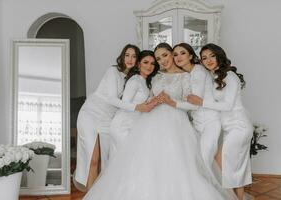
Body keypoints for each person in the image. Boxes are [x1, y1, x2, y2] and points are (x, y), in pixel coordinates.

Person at [82, 43, 237, 200]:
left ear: (172, 54)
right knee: (146, 161)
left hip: (175, 121)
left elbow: (192, 104)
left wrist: (171, 102)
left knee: (176, 162)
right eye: (158, 58)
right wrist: (153, 101)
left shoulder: (186, 76)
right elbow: (148, 98)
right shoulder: (156, 76)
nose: (162, 61)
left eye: (165, 55)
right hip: (150, 121)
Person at [73, 44, 156, 191]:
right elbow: (112, 99)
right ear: (122, 56)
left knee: (104, 160)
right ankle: (90, 195)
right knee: (93, 158)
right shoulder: (113, 71)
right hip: (92, 113)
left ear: (137, 61)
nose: (130, 59)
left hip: (108, 119)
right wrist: (138, 107)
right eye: (127, 55)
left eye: (134, 56)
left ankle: (99, 193)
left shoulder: (133, 79)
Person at [187, 43, 253, 200]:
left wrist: (200, 102)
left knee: (228, 165)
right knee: (228, 163)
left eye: (212, 56)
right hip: (229, 127)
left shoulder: (230, 76)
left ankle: (235, 198)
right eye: (204, 58)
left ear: (219, 56)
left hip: (239, 126)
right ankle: (236, 197)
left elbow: (228, 105)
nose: (208, 60)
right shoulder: (214, 76)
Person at [172, 43, 222, 179]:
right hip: (197, 123)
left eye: (182, 53)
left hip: (210, 122)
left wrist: (171, 102)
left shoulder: (198, 71)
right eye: (175, 54)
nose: (178, 57)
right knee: (197, 161)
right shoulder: (188, 74)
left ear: (191, 56)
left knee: (204, 161)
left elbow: (195, 105)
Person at [109, 50, 159, 159]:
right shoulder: (135, 80)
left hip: (134, 124)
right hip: (123, 125)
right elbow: (124, 104)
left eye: (152, 63)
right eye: (145, 62)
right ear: (138, 64)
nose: (149, 66)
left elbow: (144, 104)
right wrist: (139, 107)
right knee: (125, 159)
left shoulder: (146, 82)